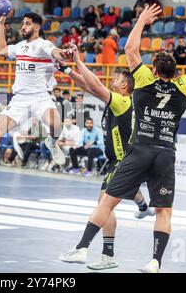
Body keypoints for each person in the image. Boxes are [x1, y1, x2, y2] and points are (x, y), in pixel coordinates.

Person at [59, 5, 186, 273]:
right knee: (164, 212)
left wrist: (141, 21)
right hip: (165, 153)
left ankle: (82, 248)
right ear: (175, 73)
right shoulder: (183, 86)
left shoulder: (145, 80)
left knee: (107, 202)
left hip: (139, 150)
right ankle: (155, 262)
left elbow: (131, 50)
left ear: (155, 70)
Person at [58, 44, 155, 269]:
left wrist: (78, 61)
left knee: (104, 206)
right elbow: (90, 87)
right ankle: (109, 255)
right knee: (105, 207)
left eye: (116, 79)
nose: (112, 81)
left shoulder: (123, 102)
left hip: (125, 162)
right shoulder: (117, 100)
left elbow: (95, 84)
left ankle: (82, 248)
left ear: (124, 85)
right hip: (116, 162)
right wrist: (66, 71)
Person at [0, 12, 70, 187]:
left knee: (56, 125)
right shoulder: (19, 46)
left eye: (27, 24)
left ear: (36, 27)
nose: (23, 27)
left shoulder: (43, 44)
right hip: (20, 99)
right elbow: (2, 50)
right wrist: (0, 26)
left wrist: (63, 53)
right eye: (23, 24)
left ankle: (51, 143)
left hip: (40, 97)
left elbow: (56, 52)